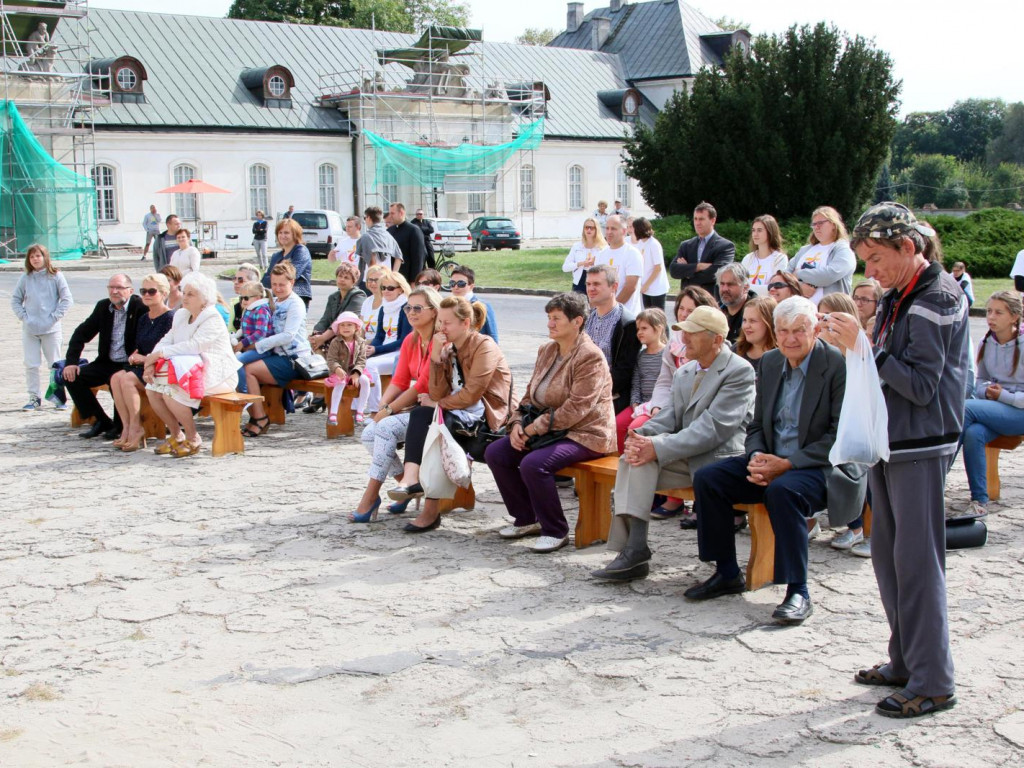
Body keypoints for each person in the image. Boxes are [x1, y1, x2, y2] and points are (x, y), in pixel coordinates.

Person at [827, 202, 967, 719]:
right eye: (865, 260)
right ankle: (906, 662)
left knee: (917, 563)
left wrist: (865, 348)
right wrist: (856, 347)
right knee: (888, 556)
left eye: (877, 259)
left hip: (922, 443)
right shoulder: (898, 293)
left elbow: (923, 385)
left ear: (908, 248)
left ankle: (934, 681)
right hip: (893, 440)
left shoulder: (936, 296)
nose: (871, 271)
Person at [688, 297, 846, 625]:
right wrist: (757, 457)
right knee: (709, 478)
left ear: (815, 330)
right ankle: (727, 572)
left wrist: (787, 464)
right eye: (783, 331)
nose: (790, 339)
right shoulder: (772, 362)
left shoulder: (835, 364)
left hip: (816, 466)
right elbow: (757, 424)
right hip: (772, 458)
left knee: (782, 491)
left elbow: (839, 435)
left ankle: (798, 590)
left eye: (799, 330)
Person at [593, 306, 756, 581]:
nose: (684, 338)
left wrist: (656, 446)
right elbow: (669, 415)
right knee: (633, 458)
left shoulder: (739, 371)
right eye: (683, 331)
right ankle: (635, 549)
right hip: (686, 454)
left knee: (645, 454)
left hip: (718, 461)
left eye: (692, 333)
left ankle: (720, 569)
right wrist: (640, 436)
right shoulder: (686, 371)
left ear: (717, 339)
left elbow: (713, 429)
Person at [485, 292, 616, 553]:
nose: (550, 324)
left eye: (556, 318)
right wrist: (517, 424)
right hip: (548, 430)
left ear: (577, 321)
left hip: (586, 433)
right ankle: (527, 519)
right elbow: (529, 395)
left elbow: (577, 408)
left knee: (534, 464)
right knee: (496, 453)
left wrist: (533, 429)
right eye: (549, 317)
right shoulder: (547, 350)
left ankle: (555, 530)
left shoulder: (590, 356)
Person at [390, 295, 515, 531]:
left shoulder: (484, 346)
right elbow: (436, 392)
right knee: (422, 415)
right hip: (460, 416)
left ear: (465, 323)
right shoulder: (449, 349)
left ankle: (428, 507)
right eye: (440, 322)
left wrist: (438, 405)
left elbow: (471, 395)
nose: (441, 328)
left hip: (489, 422)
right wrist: (436, 357)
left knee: (437, 424)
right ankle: (412, 479)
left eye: (446, 323)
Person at [350, 287, 442, 522]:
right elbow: (399, 380)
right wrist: (383, 406)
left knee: (384, 428)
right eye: (408, 308)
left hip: (435, 408)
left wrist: (390, 410)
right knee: (368, 434)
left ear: (434, 311)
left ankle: (371, 496)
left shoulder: (439, 341)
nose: (411, 312)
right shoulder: (412, 340)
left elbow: (421, 385)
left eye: (418, 308)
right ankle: (405, 485)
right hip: (416, 407)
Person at [141, 273, 239, 457]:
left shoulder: (212, 317)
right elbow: (167, 339)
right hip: (188, 371)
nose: (184, 297)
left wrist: (160, 354)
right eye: (184, 293)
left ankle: (193, 437)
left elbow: (195, 345)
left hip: (217, 374)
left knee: (171, 391)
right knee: (152, 389)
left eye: (191, 294)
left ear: (205, 299)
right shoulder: (181, 314)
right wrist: (151, 361)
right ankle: (176, 435)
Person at [647, 286, 717, 522]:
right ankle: (631, 530)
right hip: (670, 408)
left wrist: (657, 440)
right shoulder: (676, 351)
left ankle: (681, 498)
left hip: (704, 435)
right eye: (682, 309)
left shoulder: (732, 366)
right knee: (635, 442)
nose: (685, 314)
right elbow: (664, 383)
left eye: (691, 310)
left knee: (663, 441)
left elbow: (710, 425)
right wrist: (654, 412)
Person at [816, 291, 872, 557]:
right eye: (821, 316)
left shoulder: (856, 352)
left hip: (858, 426)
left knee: (851, 460)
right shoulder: (820, 351)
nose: (825, 323)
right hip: (832, 422)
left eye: (830, 317)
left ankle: (859, 526)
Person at [959, 290, 1024, 517]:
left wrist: (1003, 396)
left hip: (1019, 413)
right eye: (988, 311)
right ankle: (980, 500)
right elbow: (980, 382)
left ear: (1014, 316)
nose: (991, 317)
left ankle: (937, 478)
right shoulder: (986, 342)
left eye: (998, 312)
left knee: (964, 408)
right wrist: (986, 391)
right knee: (973, 434)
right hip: (997, 410)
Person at [63, 273, 144, 439]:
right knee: (71, 376)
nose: (114, 291)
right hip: (107, 362)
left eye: (119, 288)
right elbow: (81, 333)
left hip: (130, 364)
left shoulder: (140, 307)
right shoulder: (103, 307)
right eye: (111, 287)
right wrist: (71, 362)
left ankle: (121, 426)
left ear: (130, 290)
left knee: (117, 380)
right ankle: (101, 420)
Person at [241, 262, 311, 437]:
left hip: (293, 359)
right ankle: (255, 413)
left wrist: (256, 345)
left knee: (249, 370)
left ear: (292, 282)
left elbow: (288, 335)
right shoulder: (272, 300)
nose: (277, 288)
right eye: (274, 284)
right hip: (275, 354)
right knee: (238, 367)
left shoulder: (296, 304)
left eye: (282, 284)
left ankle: (260, 417)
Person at [108, 274, 174, 450]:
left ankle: (136, 428)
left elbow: (170, 352)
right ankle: (127, 427)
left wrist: (145, 359)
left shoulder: (170, 318)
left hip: (162, 368)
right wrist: (135, 356)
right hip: (143, 366)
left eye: (152, 291)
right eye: (143, 291)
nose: (146, 295)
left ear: (164, 293)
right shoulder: (144, 318)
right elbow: (140, 346)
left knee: (127, 379)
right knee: (115, 378)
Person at [11, 244, 73, 411]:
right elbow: (15, 300)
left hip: (51, 329)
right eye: (32, 257)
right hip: (30, 330)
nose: (35, 259)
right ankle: (34, 397)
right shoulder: (26, 278)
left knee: (54, 364)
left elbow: (67, 299)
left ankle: (58, 396)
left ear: (45, 257)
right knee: (31, 364)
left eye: (38, 256)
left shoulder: (56, 276)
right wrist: (24, 317)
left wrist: (54, 317)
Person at [584, 265, 641, 416]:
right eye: (588, 284)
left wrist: (591, 390)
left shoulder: (628, 324)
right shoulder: (585, 318)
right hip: (581, 388)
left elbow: (624, 372)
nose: (591, 289)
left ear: (614, 287)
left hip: (609, 396)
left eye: (597, 284)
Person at [614, 308, 668, 453]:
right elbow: (636, 383)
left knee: (634, 428)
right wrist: (635, 403)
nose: (639, 332)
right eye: (638, 329)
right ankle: (622, 459)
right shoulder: (640, 356)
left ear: (658, 329)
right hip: (640, 405)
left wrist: (656, 405)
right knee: (617, 424)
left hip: (658, 406)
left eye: (644, 328)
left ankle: (634, 458)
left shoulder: (667, 354)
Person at [364, 270, 413, 413]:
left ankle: (376, 410)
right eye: (383, 288)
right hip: (385, 352)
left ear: (401, 289)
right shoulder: (383, 308)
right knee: (357, 359)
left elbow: (403, 340)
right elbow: (380, 336)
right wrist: (370, 348)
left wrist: (376, 350)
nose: (386, 291)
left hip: (399, 354)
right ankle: (356, 408)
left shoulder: (406, 308)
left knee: (370, 365)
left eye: (390, 288)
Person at [788, 206, 855, 302]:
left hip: (831, 309)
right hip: (800, 308)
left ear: (833, 224)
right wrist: (799, 287)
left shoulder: (843, 250)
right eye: (814, 224)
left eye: (820, 223)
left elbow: (830, 275)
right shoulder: (804, 250)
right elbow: (785, 276)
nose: (816, 227)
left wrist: (799, 274)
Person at [669, 202, 736, 294]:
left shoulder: (725, 246)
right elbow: (673, 271)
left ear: (713, 221)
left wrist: (687, 273)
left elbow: (718, 274)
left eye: (701, 219)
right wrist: (698, 266)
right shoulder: (686, 245)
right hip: (688, 298)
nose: (697, 223)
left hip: (711, 298)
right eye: (695, 219)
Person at [307, 262, 368, 353]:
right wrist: (316, 334)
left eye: (346, 278)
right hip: (331, 335)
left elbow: (342, 321)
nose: (342, 280)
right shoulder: (333, 296)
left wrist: (323, 338)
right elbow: (325, 319)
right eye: (340, 276)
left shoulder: (359, 296)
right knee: (313, 344)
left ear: (354, 281)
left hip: (347, 335)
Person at [325, 311, 370, 426]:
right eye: (342, 325)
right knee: (340, 383)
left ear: (356, 327)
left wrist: (356, 373)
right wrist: (337, 369)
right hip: (340, 371)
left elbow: (362, 360)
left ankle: (360, 411)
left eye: (349, 325)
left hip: (354, 371)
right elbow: (331, 359)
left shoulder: (360, 342)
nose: (346, 328)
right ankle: (333, 413)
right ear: (338, 328)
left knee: (365, 380)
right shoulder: (335, 342)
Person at [231, 280, 275, 393]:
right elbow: (244, 329)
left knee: (237, 361)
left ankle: (244, 391)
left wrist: (243, 343)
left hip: (262, 349)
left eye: (246, 298)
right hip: (252, 347)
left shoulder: (261, 310)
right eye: (241, 298)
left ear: (258, 298)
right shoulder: (249, 309)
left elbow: (261, 332)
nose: (243, 301)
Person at [596, 215, 644, 316]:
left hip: (626, 316)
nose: (609, 232)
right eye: (607, 228)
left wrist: (611, 309)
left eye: (613, 229)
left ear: (624, 231)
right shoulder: (601, 254)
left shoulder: (632, 254)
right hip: (603, 314)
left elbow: (630, 287)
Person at [263, 218, 313, 308]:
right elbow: (265, 280)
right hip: (277, 299)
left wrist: (275, 278)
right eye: (280, 233)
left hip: (297, 296)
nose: (283, 236)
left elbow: (292, 275)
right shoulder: (276, 256)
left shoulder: (301, 251)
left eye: (286, 233)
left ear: (295, 234)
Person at [447, 265, 498, 342]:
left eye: (461, 283)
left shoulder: (483, 306)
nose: (456, 287)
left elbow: (493, 338)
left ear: (471, 286)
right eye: (452, 283)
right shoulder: (448, 306)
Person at [741, 215, 789, 296]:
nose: (755, 234)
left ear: (770, 232)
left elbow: (775, 288)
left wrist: (747, 288)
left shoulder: (779, 259)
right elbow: (739, 284)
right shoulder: (748, 258)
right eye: (753, 230)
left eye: (759, 230)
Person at [561, 217, 607, 294]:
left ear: (597, 230)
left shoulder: (603, 248)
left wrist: (595, 262)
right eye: (586, 227)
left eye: (592, 228)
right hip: (579, 283)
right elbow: (565, 267)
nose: (589, 230)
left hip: (597, 283)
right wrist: (581, 263)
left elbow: (608, 268)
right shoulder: (576, 246)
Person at [735, 296, 778, 374]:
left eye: (752, 321)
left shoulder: (781, 355)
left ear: (769, 323)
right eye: (744, 320)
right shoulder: (736, 349)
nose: (746, 326)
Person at [634, 217, 670, 310]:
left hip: (657, 288)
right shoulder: (640, 243)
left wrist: (646, 285)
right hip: (645, 288)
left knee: (657, 316)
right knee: (648, 316)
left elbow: (658, 268)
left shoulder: (654, 244)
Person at [355, 206, 402, 278]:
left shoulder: (366, 237)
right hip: (386, 278)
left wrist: (374, 277)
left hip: (370, 279)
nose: (365, 221)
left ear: (368, 218)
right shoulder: (389, 236)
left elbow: (371, 259)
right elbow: (399, 257)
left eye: (365, 218)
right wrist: (393, 275)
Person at [717, 263, 757, 344]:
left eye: (730, 284)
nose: (725, 289)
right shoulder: (715, 311)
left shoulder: (757, 312)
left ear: (745, 287)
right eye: (722, 284)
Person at [387, 202, 427, 284]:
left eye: (392, 213)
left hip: (407, 278)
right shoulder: (390, 230)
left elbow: (418, 258)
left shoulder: (414, 230)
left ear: (401, 213)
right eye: (389, 213)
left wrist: (414, 281)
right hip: (392, 277)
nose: (390, 216)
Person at [230, 263, 262, 331]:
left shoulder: (263, 304)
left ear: (253, 283)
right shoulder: (235, 303)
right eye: (234, 279)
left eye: (240, 280)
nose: (236, 282)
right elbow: (230, 330)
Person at [359, 264, 388, 340]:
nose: (373, 283)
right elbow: (361, 330)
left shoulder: (388, 302)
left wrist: (365, 344)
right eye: (370, 280)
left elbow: (384, 335)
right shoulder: (367, 301)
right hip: (365, 343)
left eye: (377, 280)